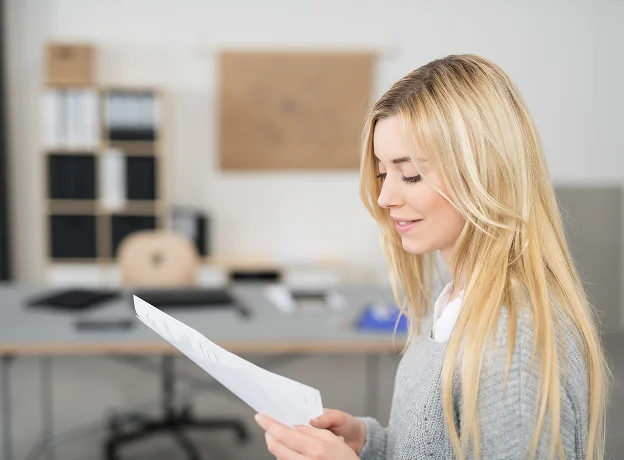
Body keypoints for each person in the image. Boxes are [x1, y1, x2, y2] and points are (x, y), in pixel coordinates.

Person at [254, 54, 608, 459]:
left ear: (484, 172)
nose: (385, 197)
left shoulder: (513, 340)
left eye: (411, 175)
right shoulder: (453, 298)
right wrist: (372, 444)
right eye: (383, 172)